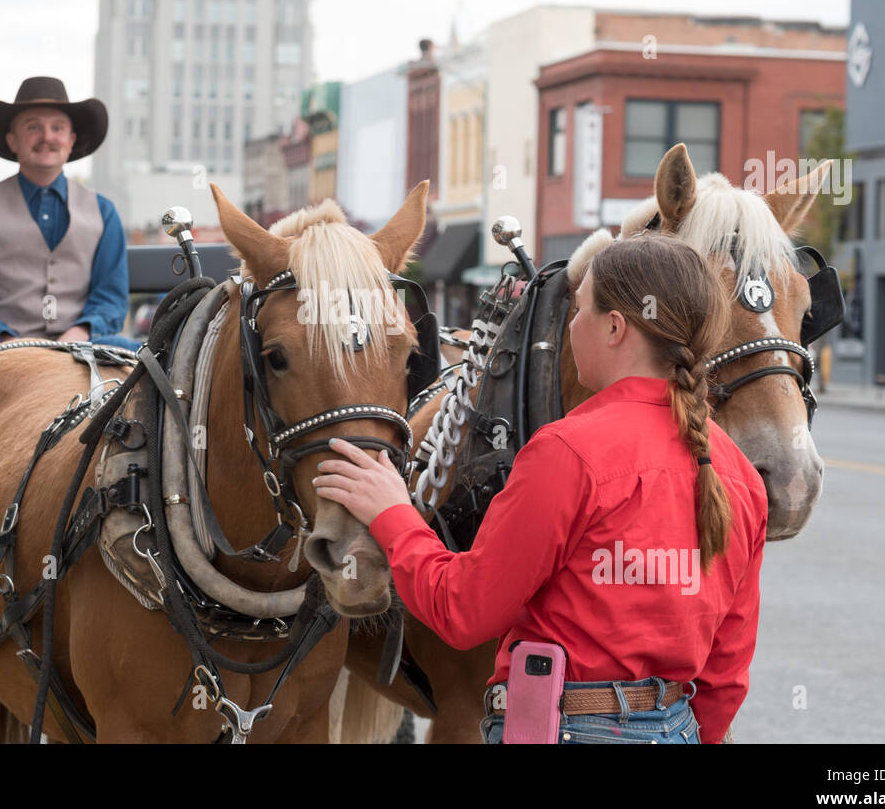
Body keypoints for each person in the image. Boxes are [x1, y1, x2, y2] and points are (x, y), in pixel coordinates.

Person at [313, 233, 769, 744]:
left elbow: (463, 610)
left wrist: (392, 512)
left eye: (579, 310)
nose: (571, 325)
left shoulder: (567, 453)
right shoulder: (737, 474)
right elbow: (725, 673)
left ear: (616, 328)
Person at [0, 76, 136, 363]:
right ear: (13, 141)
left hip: (84, 347)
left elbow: (111, 298)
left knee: (141, 364)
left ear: (71, 141)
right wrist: (8, 342)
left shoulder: (104, 212)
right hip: (3, 349)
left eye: (57, 128)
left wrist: (78, 333)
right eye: (33, 127)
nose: (47, 137)